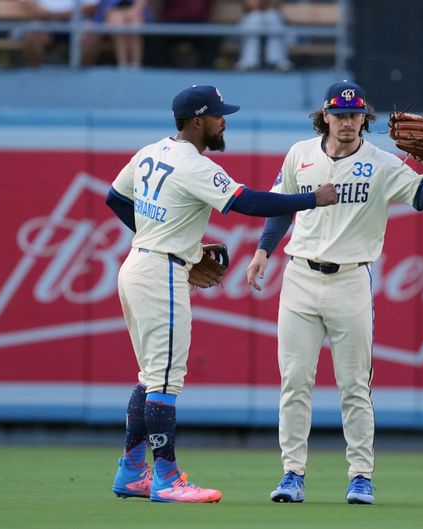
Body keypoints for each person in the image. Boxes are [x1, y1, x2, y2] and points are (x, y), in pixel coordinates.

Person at [105, 84, 338, 504]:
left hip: (139, 264)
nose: (223, 120)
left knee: (149, 376)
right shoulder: (194, 165)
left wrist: (163, 239)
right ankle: (167, 479)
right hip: (161, 275)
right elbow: (247, 201)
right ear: (198, 121)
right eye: (217, 114)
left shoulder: (151, 151)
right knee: (165, 381)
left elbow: (116, 198)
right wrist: (311, 199)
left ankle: (132, 471)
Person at [246, 81, 423, 504]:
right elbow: (282, 206)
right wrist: (264, 249)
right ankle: (292, 474)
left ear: (364, 119)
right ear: (326, 115)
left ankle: (360, 476)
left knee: (354, 385)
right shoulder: (300, 154)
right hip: (299, 277)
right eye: (340, 114)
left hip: (351, 280)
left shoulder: (382, 163)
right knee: (294, 383)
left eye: (355, 115)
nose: (348, 122)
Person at [17, 0, 99, 67]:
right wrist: (39, 10)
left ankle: (83, 76)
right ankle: (34, 74)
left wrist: (62, 15)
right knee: (33, 32)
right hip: (44, 20)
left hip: (76, 20)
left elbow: (92, 6)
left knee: (89, 32)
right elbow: (25, 2)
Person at [234, 0, 292, 71]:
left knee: (272, 16)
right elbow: (237, 35)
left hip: (274, 17)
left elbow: (289, 37)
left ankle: (277, 61)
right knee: (254, 17)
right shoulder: (250, 17)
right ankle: (248, 62)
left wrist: (270, 6)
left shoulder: (274, 15)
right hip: (250, 18)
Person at [95, 0, 150, 68]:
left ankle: (136, 66)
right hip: (113, 11)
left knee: (134, 25)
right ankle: (122, 65)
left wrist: (135, 11)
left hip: (136, 10)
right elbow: (105, 6)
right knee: (117, 26)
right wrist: (111, 12)